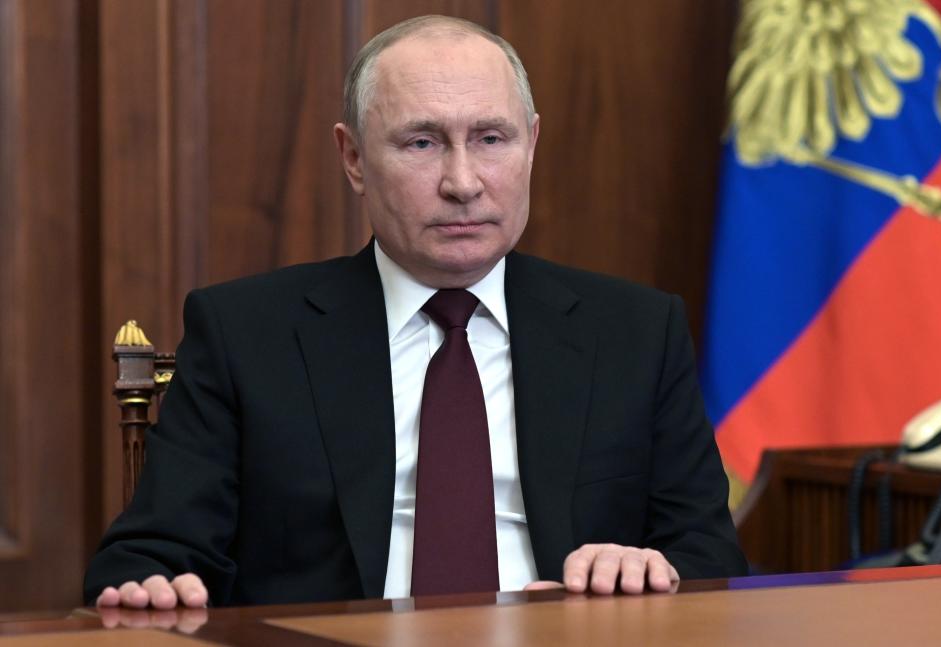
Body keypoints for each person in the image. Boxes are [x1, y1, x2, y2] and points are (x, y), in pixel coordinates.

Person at [85, 15, 746, 610]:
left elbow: (711, 557)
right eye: (423, 143)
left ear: (532, 145)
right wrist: (157, 586)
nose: (463, 182)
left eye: (491, 138)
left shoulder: (635, 331)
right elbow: (148, 556)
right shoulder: (246, 334)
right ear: (353, 158)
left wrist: (646, 570)